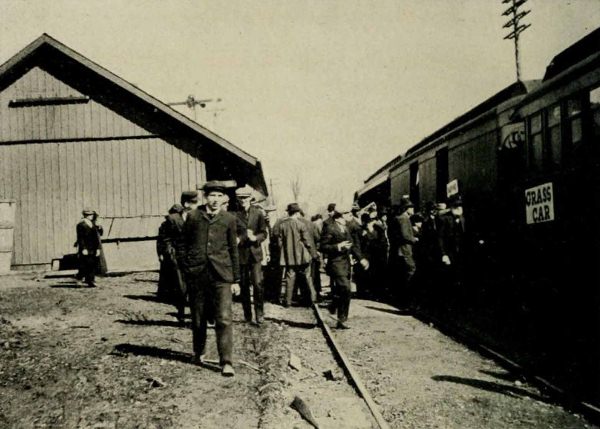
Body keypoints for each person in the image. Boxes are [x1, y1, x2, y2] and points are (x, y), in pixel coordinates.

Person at [182, 181, 241, 377]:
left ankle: (226, 362)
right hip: (198, 275)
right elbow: (183, 244)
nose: (215, 200)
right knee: (198, 318)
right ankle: (198, 352)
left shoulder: (229, 219)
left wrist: (236, 279)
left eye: (219, 196)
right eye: (212, 196)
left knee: (224, 318)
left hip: (221, 275)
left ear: (224, 198)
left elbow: (233, 250)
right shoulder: (193, 217)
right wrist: (188, 267)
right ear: (205, 197)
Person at [320, 205, 369, 329]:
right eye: (347, 215)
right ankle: (342, 318)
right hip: (336, 263)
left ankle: (337, 312)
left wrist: (361, 259)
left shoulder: (346, 228)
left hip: (345, 264)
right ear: (338, 218)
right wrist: (338, 246)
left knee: (343, 291)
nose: (350, 216)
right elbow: (323, 246)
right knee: (346, 288)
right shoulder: (330, 228)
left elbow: (353, 245)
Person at [235, 185, 268, 325]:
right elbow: (233, 234)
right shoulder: (234, 214)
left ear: (250, 198)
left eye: (245, 198)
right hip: (241, 254)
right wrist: (239, 238)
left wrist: (255, 238)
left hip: (255, 254)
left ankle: (259, 314)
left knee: (258, 284)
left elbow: (264, 233)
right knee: (244, 286)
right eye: (240, 198)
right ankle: (247, 315)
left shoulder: (258, 213)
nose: (243, 200)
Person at [277, 203, 317, 307]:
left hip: (289, 256)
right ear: (297, 213)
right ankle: (313, 298)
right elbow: (307, 242)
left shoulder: (282, 225)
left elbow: (280, 242)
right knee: (307, 276)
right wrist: (313, 254)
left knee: (290, 277)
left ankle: (287, 301)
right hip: (302, 256)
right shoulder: (301, 224)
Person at [156, 201, 188, 324]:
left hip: (185, 256)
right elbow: (161, 240)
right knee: (176, 283)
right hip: (172, 256)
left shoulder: (188, 221)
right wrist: (162, 253)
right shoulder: (166, 224)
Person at [392, 197, 418, 306]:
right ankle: (407, 300)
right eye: (411, 208)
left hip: (402, 250)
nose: (413, 210)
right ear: (407, 209)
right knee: (411, 271)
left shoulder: (400, 218)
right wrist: (414, 239)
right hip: (405, 250)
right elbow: (405, 235)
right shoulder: (404, 218)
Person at [438, 195, 466, 289]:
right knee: (450, 275)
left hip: (462, 251)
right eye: (456, 206)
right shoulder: (444, 219)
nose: (459, 208)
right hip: (450, 252)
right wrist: (444, 254)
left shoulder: (464, 218)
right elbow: (440, 238)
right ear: (452, 207)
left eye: (460, 206)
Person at [76, 208, 103, 288]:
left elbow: (97, 236)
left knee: (92, 264)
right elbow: (80, 238)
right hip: (85, 248)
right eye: (90, 215)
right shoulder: (81, 224)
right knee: (84, 264)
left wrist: (98, 248)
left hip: (93, 247)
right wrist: (83, 248)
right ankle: (79, 279)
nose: (91, 216)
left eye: (92, 215)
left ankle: (91, 281)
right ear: (85, 215)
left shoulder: (93, 224)